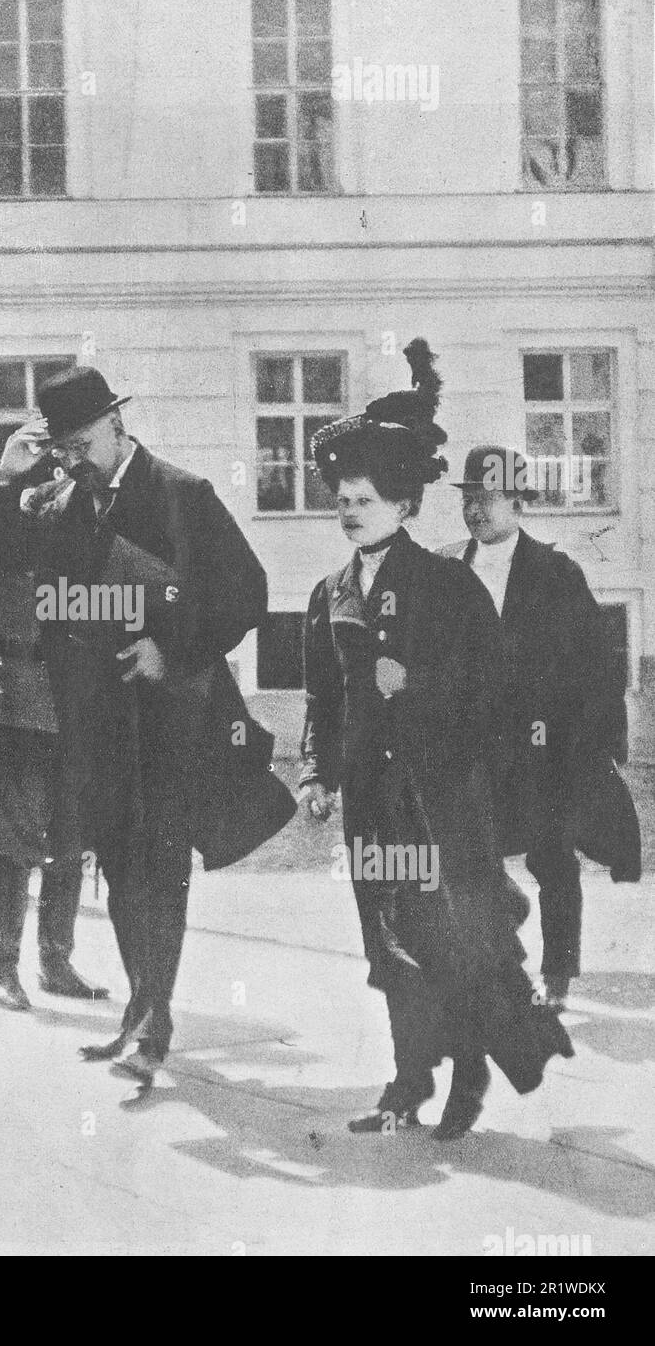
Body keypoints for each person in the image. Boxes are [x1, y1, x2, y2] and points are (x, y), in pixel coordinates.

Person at [299, 341, 573, 1139]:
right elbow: (323, 695)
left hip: (441, 804)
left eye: (367, 498)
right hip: (374, 808)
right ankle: (405, 1081)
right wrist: (319, 774)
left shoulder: (446, 586)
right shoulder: (330, 592)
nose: (351, 510)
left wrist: (411, 688)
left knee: (451, 938)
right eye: (342, 498)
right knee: (386, 940)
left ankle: (467, 1079)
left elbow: (492, 695)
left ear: (405, 506)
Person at [9, 365, 291, 1084]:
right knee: (118, 862)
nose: (72, 461)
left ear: (115, 424)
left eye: (80, 444)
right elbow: (51, 597)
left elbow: (247, 592)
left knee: (160, 864)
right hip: (100, 720)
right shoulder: (69, 502)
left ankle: (152, 1021)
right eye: (62, 451)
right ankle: (140, 1009)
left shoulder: (181, 493)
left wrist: (172, 647)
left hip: (173, 719)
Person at [442, 446, 640, 1011]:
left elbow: (597, 664)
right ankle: (501, 965)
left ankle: (557, 978)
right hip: (475, 749)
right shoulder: (447, 570)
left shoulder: (555, 571)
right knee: (470, 862)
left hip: (544, 748)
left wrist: (596, 748)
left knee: (552, 861)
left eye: (487, 498)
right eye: (468, 499)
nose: (475, 510)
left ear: (517, 501)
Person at [0, 446, 109, 1011]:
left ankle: (56, 961)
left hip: (75, 704)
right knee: (9, 843)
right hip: (13, 702)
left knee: (71, 839)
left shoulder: (87, 536)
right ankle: (4, 969)